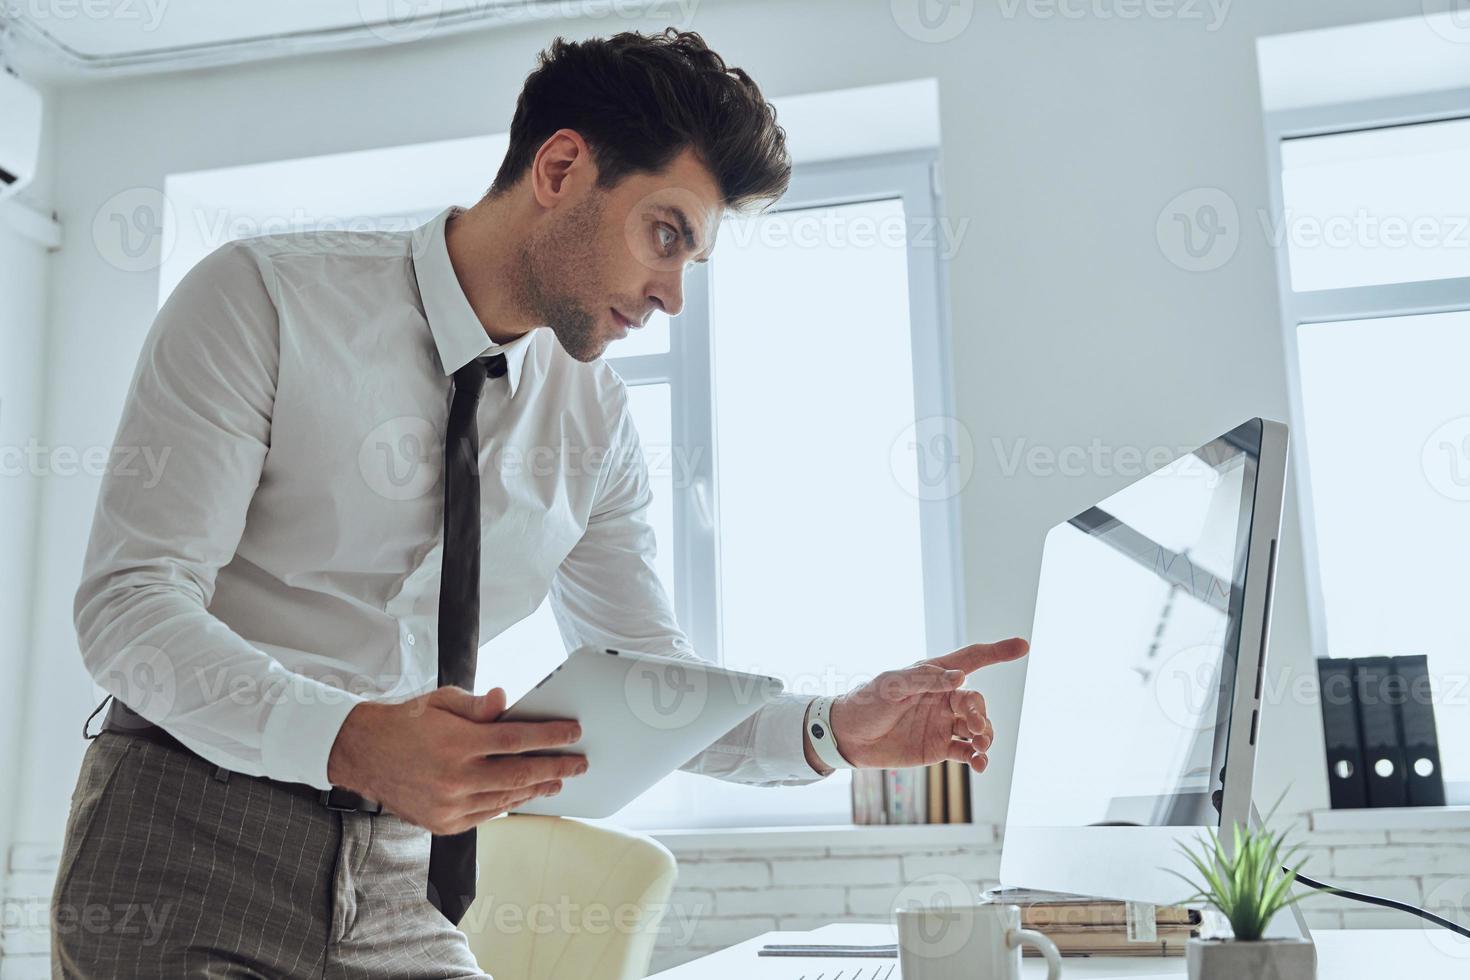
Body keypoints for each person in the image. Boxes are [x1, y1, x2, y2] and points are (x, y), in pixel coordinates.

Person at [51, 28, 1028, 978]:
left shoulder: (593, 419)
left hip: (397, 875)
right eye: (664, 233)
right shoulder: (264, 299)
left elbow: (648, 678)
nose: (672, 296)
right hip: (187, 836)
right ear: (561, 170)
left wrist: (832, 728)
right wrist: (350, 736)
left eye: (693, 258)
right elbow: (130, 604)